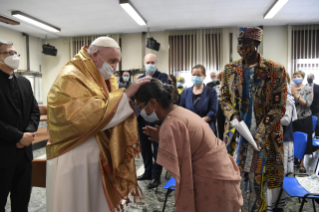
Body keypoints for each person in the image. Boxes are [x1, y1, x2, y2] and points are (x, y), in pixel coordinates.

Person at [46, 37, 148, 212]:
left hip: (96, 155)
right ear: (95, 55)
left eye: (117, 62)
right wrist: (125, 96)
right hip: (75, 154)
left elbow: (106, 107)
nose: (115, 67)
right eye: (112, 61)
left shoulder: (103, 76)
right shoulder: (71, 75)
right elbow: (82, 116)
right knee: (76, 203)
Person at [137, 79, 243, 212]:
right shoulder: (178, 112)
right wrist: (164, 139)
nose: (140, 111)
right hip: (221, 177)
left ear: (153, 102)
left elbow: (182, 173)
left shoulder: (171, 123)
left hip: (213, 185)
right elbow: (188, 144)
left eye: (140, 106)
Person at [220, 27, 287, 212]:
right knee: (237, 181)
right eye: (239, 43)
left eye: (246, 43)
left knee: (260, 183)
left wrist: (260, 133)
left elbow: (278, 106)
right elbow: (223, 98)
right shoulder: (230, 69)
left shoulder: (275, 69)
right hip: (237, 135)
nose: (241, 47)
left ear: (256, 44)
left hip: (263, 137)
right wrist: (232, 114)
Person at [0, 40, 40, 212]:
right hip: (2, 154)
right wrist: (18, 137)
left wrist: (28, 134)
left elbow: (35, 111)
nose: (14, 56)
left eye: (16, 53)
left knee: (22, 202)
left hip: (24, 154)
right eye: (9, 53)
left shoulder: (24, 82)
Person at [136, 53, 168, 189]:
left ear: (156, 63)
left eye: (152, 62)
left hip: (156, 118)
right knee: (145, 148)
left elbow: (162, 96)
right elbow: (136, 99)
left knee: (157, 149)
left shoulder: (163, 77)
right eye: (148, 62)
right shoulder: (139, 79)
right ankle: (147, 172)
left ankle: (156, 176)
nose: (150, 64)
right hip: (143, 118)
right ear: (144, 63)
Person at [179, 64, 218, 134]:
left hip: (206, 129)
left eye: (199, 75)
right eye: (193, 75)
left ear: (204, 76)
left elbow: (213, 111)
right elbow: (181, 110)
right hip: (189, 129)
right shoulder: (185, 92)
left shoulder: (211, 92)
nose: (195, 77)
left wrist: (200, 121)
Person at [291, 70, 313, 173]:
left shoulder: (308, 88)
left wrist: (296, 95)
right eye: (294, 76)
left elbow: (307, 103)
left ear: (302, 77)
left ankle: (302, 163)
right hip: (293, 119)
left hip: (305, 119)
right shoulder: (291, 89)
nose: (296, 77)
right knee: (294, 139)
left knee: (303, 141)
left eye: (298, 76)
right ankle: (295, 159)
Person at [216, 71, 225, 140]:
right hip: (219, 108)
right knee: (220, 125)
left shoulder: (230, 87)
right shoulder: (215, 88)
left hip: (229, 108)